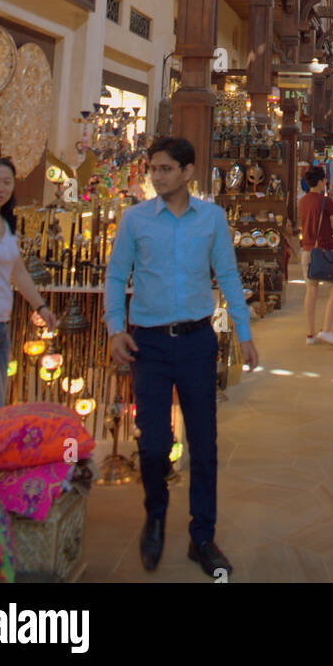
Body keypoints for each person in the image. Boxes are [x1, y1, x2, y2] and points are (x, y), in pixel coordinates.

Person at [104, 136, 258, 578]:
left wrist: (244, 333)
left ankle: (202, 537)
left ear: (188, 172)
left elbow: (228, 274)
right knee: (152, 445)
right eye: (153, 168)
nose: (157, 176)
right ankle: (155, 516)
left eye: (167, 168)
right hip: (147, 344)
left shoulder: (210, 219)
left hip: (195, 342)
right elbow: (117, 276)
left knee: (203, 444)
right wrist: (116, 328)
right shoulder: (135, 221)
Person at [0, 157, 58, 413]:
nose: (0, 188)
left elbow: (18, 272)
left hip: (1, 321)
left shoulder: (6, 223)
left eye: (6, 182)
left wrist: (41, 307)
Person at [298, 165, 333, 348]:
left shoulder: (302, 201)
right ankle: (326, 330)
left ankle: (310, 334)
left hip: (308, 251)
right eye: (325, 180)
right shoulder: (326, 202)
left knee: (311, 291)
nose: (326, 182)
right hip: (325, 250)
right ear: (320, 182)